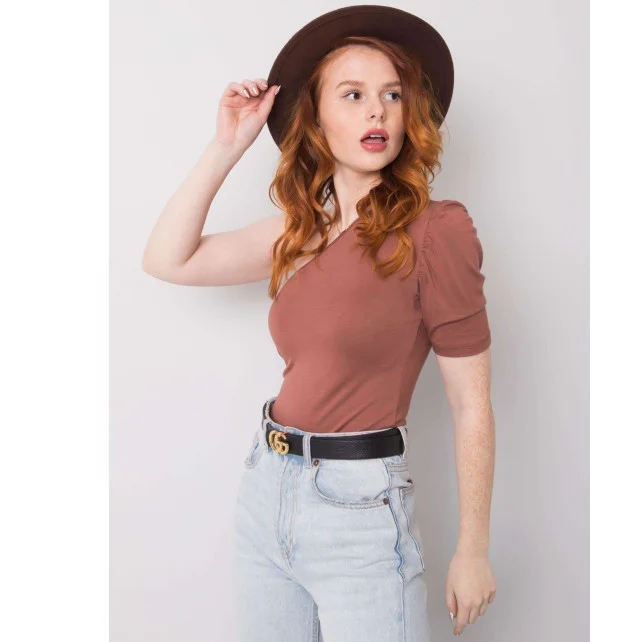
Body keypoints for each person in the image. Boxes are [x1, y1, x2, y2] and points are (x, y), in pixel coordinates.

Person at [142, 5, 496, 640]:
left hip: (359, 509)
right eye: (353, 95)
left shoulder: (437, 231)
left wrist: (473, 549)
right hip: (267, 487)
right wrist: (226, 147)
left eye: (392, 95)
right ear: (317, 117)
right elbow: (168, 258)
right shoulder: (300, 229)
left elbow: (471, 402)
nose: (377, 112)